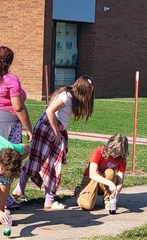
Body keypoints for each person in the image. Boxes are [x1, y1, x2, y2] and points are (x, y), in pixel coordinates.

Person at [13, 75, 95, 210]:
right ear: (82, 90)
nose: (88, 96)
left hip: (50, 129)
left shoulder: (70, 97)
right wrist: (56, 132)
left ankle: (19, 190)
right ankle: (48, 200)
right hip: (49, 130)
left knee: (37, 160)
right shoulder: (67, 96)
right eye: (88, 93)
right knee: (52, 165)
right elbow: (49, 111)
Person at [0, 46, 33, 208]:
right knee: (11, 158)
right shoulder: (11, 79)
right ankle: (1, 199)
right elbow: (18, 107)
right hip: (9, 122)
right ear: (10, 61)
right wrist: (28, 128)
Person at [77, 134, 128, 213]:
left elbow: (120, 181)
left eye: (119, 153)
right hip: (91, 180)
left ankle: (107, 199)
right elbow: (92, 174)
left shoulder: (122, 160)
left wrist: (116, 191)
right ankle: (79, 192)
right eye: (113, 151)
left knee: (110, 172)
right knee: (87, 205)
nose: (115, 155)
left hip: (104, 183)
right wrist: (110, 183)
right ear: (109, 145)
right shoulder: (98, 151)